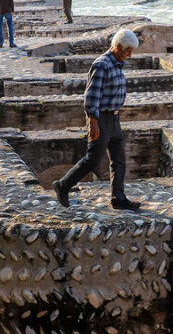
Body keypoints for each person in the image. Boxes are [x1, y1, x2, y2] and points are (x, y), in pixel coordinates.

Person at [53, 29, 142, 211]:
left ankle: (118, 198)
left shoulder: (117, 63)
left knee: (119, 160)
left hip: (114, 118)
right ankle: (63, 185)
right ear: (117, 46)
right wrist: (93, 121)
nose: (130, 55)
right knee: (93, 159)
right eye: (127, 51)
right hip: (101, 118)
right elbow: (92, 95)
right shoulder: (102, 65)